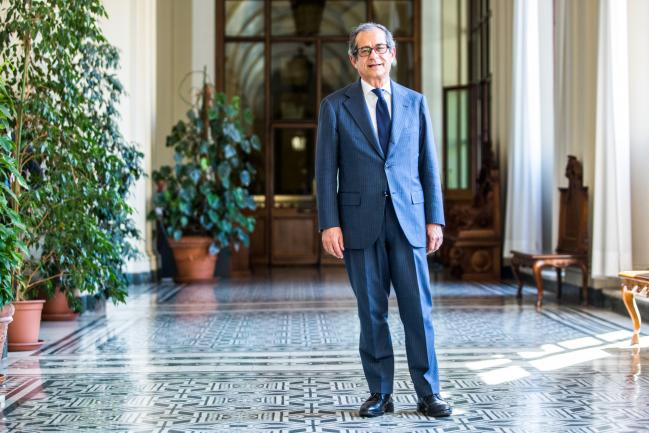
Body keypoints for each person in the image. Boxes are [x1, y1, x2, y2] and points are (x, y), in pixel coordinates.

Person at [315, 22, 452, 418]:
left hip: (409, 221)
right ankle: (380, 393)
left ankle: (429, 394)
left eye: (380, 48)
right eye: (364, 51)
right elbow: (325, 172)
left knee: (417, 310)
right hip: (360, 224)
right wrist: (330, 223)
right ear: (354, 61)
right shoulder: (335, 106)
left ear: (393, 54)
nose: (374, 55)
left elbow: (429, 165)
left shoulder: (415, 103)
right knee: (371, 311)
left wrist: (434, 219)